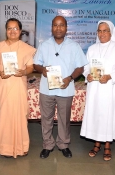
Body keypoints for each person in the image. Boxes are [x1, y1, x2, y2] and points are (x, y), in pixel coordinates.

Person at [33, 16, 88, 159]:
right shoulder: (44, 45)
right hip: (47, 89)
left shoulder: (74, 46)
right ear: (51, 27)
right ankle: (47, 145)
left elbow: (80, 67)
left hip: (66, 89)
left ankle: (63, 144)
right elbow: (36, 64)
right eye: (55, 25)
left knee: (64, 120)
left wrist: (70, 78)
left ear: (66, 28)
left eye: (61, 25)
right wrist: (42, 70)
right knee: (46, 119)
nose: (58, 28)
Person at [80, 20, 115, 161]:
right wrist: (87, 75)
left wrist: (110, 76)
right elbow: (85, 67)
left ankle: (107, 145)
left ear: (111, 32)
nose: (102, 34)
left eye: (105, 30)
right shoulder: (92, 49)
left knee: (108, 115)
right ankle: (97, 143)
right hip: (95, 89)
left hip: (110, 89)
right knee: (96, 115)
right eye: (99, 31)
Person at [0, 18, 36, 158]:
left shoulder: (26, 48)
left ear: (20, 31)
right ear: (6, 31)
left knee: (21, 116)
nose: (12, 31)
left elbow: (30, 67)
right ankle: (5, 148)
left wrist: (24, 72)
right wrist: (0, 72)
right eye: (9, 28)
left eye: (15, 28)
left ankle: (22, 146)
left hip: (18, 86)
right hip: (3, 85)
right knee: (4, 116)